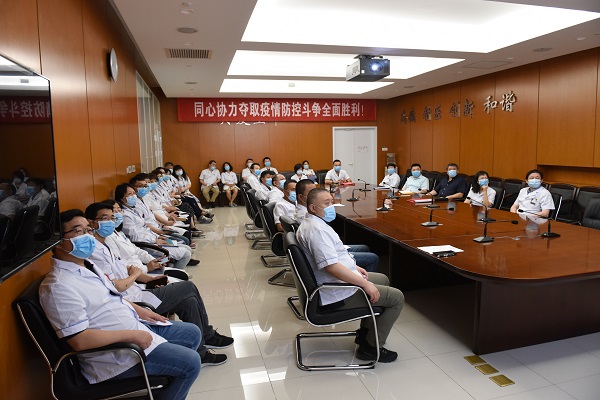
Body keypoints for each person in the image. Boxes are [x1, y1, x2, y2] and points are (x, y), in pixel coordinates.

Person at [39, 209, 201, 400]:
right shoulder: (58, 286)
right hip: (118, 356)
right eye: (78, 231)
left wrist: (139, 310)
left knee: (192, 333)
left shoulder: (87, 266)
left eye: (88, 230)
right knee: (191, 363)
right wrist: (132, 335)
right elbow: (80, 340)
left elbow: (113, 295)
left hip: (135, 326)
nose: (87, 236)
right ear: (58, 241)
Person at [85, 203, 233, 366]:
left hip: (138, 289)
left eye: (112, 217)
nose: (111, 221)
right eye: (105, 218)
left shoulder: (107, 243)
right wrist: (137, 274)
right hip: (134, 302)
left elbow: (125, 267)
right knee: (188, 287)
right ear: (91, 223)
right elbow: (118, 285)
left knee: (189, 301)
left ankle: (201, 348)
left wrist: (150, 280)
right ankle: (208, 335)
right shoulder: (94, 251)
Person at [296, 188, 404, 362]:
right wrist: (365, 284)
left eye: (332, 202)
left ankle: (365, 335)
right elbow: (331, 267)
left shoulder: (314, 223)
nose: (331, 207)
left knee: (382, 279)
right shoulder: (317, 230)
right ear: (312, 208)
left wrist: (355, 267)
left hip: (333, 282)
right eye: (326, 203)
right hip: (334, 292)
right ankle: (371, 348)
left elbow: (335, 257)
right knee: (396, 298)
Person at [115, 183, 197, 270]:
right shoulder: (125, 215)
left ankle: (170, 265)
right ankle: (173, 272)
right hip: (148, 245)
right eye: (129, 194)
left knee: (186, 247)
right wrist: (155, 240)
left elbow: (145, 227)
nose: (133, 196)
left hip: (153, 239)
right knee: (186, 254)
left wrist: (158, 236)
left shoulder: (132, 210)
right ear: (122, 198)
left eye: (134, 193)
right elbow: (135, 237)